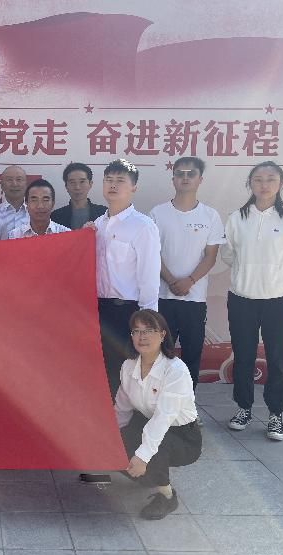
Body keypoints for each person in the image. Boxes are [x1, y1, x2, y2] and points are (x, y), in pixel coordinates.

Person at [80, 158, 160, 484]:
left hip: (127, 314)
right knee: (98, 384)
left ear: (134, 187)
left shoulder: (143, 226)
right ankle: (99, 451)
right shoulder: (96, 225)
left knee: (123, 385)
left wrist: (148, 326)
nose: (113, 185)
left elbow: (149, 278)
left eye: (121, 180)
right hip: (96, 312)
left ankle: (124, 456)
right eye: (109, 179)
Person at [223, 161, 283, 441]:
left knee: (278, 359)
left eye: (270, 179)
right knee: (243, 357)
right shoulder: (237, 218)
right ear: (250, 184)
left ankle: (276, 414)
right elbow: (228, 253)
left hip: (280, 301)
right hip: (242, 299)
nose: (264, 184)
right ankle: (243, 408)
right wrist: (247, 271)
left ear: (280, 184)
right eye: (258, 179)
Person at [150, 157, 224, 425]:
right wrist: (171, 280)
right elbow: (153, 253)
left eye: (190, 174)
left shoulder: (210, 216)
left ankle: (186, 410)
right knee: (161, 355)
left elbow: (210, 256)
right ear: (173, 179)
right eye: (179, 173)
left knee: (191, 355)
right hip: (163, 297)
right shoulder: (157, 213)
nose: (184, 178)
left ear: (199, 179)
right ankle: (157, 408)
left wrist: (190, 280)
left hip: (194, 299)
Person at [114, 310, 202, 520]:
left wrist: (142, 457)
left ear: (162, 335)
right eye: (137, 331)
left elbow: (163, 419)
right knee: (119, 443)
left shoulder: (175, 370)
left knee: (153, 447)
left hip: (182, 436)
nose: (142, 336)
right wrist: (110, 440)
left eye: (149, 330)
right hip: (149, 424)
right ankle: (148, 476)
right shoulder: (128, 365)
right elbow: (122, 409)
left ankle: (167, 496)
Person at [50, 162, 107, 229]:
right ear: (66, 186)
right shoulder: (55, 216)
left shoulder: (104, 213)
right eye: (72, 182)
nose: (77, 187)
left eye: (82, 182)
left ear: (90, 184)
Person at [0, 165, 29, 233]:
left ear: (26, 183)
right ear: (1, 185)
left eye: (19, 179)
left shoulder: (37, 213)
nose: (14, 184)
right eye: (9, 180)